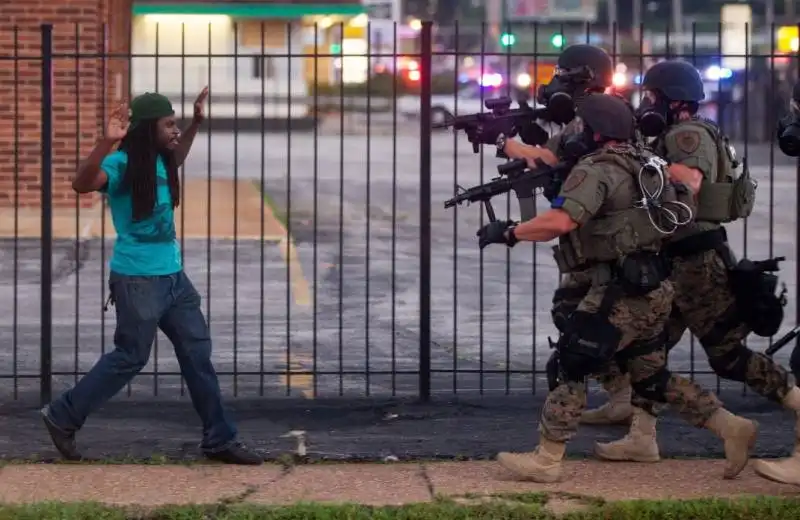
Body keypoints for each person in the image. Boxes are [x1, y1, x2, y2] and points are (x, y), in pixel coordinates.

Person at [473, 93, 758, 483]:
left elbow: (560, 221)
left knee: (571, 360)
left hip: (621, 290)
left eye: (583, 129)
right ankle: (729, 426)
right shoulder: (648, 162)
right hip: (656, 286)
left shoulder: (598, 169)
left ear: (594, 133)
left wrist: (509, 232)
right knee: (650, 377)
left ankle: (547, 458)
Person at [582, 60, 799, 483]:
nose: (647, 104)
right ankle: (643, 437)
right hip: (678, 259)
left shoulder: (688, 134)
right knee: (650, 348)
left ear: (672, 101)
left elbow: (691, 180)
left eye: (651, 98)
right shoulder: (677, 133)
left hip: (697, 264)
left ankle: (794, 401)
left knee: (728, 356)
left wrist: (639, 159)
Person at [40, 90, 263, 465]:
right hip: (138, 280)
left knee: (197, 354)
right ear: (148, 130)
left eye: (175, 123)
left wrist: (195, 125)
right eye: (169, 124)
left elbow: (178, 155)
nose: (174, 130)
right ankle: (62, 415)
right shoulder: (121, 164)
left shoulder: (161, 160)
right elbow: (81, 182)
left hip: (174, 278)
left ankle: (220, 439)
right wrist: (107, 140)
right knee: (130, 357)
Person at [499, 44, 629, 398]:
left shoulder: (610, 118)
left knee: (588, 331)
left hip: (614, 237)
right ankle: (624, 398)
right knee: (572, 312)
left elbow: (584, 169)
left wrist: (513, 232)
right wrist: (504, 139)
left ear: (583, 79)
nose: (555, 83)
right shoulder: (581, 120)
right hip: (589, 235)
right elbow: (548, 157)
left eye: (562, 75)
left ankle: (564, 431)